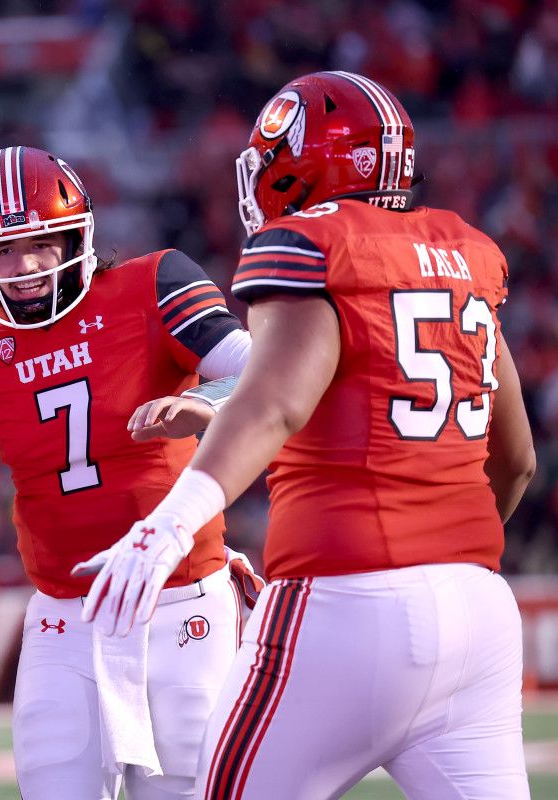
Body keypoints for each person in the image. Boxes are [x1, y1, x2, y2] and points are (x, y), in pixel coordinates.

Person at [80, 71, 536, 799]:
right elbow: (515, 460)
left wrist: (167, 527)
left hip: (346, 602)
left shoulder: (312, 243)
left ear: (302, 167)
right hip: (479, 610)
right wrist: (440, 560)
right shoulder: (466, 254)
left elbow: (278, 404)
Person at [0, 145, 261, 799]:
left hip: (182, 603)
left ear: (74, 235)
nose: (22, 267)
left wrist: (206, 402)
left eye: (40, 243)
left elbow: (269, 377)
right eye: (3, 251)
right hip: (63, 617)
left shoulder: (153, 284)